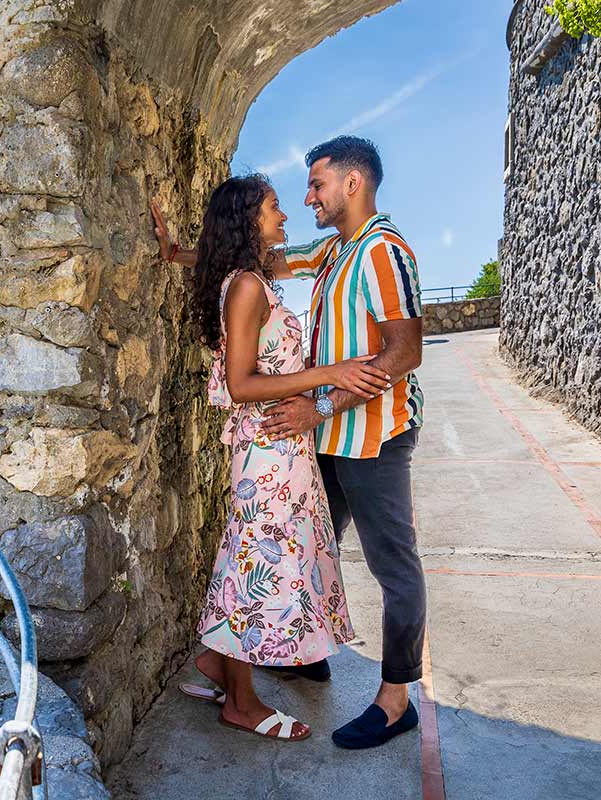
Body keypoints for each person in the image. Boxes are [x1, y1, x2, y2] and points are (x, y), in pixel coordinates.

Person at [153, 136, 426, 750]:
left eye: (317, 186)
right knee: (291, 551)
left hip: (372, 436)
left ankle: (394, 699)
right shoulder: (331, 252)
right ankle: (289, 657)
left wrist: (321, 400)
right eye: (296, 192)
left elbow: (403, 352)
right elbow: (244, 262)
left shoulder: (385, 252)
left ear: (351, 184)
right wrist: (176, 252)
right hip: (316, 434)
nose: (307, 199)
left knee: (392, 567)